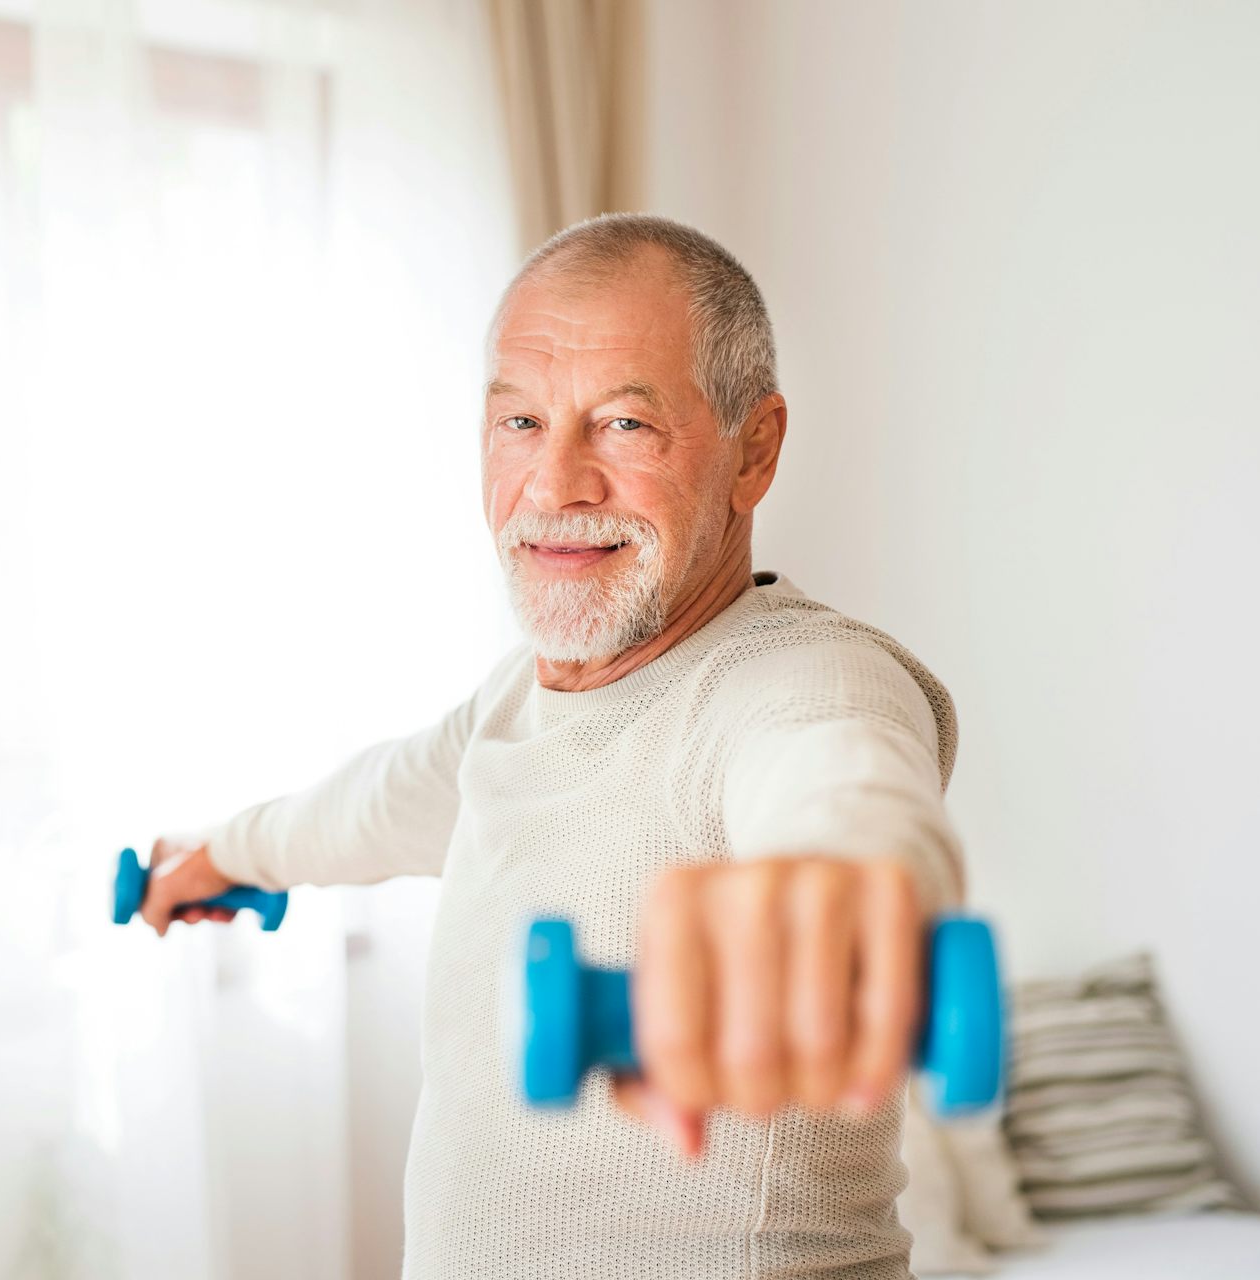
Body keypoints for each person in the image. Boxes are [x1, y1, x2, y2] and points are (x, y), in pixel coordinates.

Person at [142, 213, 963, 1279]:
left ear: (753, 450)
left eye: (623, 424)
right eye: (521, 421)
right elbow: (376, 802)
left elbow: (851, 796)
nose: (556, 483)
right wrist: (227, 850)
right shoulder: (514, 706)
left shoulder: (801, 679)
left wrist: (825, 915)